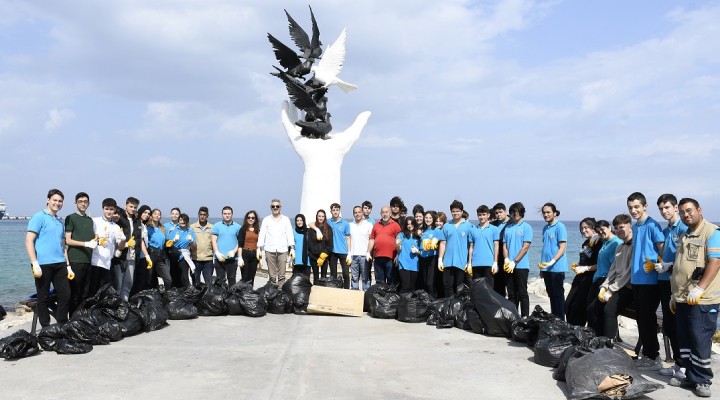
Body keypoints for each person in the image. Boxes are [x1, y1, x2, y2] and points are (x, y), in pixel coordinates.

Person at [669, 198, 720, 398]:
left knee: (700, 340)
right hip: (682, 298)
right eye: (682, 212)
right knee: (686, 340)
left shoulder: (711, 232)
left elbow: (715, 263)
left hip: (702, 300)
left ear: (699, 210)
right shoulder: (684, 235)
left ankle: (703, 380)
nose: (686, 215)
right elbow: (681, 266)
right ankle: (691, 375)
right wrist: (675, 294)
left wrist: (699, 288)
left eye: (689, 210)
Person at [626, 192, 665, 370]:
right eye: (630, 208)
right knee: (641, 319)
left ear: (645, 206)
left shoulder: (652, 225)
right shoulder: (635, 226)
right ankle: (648, 354)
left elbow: (662, 249)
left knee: (648, 319)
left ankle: (653, 356)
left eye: (636, 207)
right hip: (636, 279)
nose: (633, 211)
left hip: (650, 281)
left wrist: (659, 263)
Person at [26, 189, 71, 327]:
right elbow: (29, 241)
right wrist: (34, 263)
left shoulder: (59, 222)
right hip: (43, 264)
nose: (57, 203)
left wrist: (68, 265)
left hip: (60, 264)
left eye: (60, 201)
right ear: (48, 200)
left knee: (65, 295)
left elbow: (63, 246)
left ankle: (62, 324)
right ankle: (46, 328)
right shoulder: (39, 217)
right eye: (55, 200)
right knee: (43, 297)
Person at [655, 193, 688, 380]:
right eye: (661, 208)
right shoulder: (666, 230)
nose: (664, 211)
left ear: (676, 207)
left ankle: (684, 365)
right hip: (663, 282)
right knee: (668, 324)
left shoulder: (683, 227)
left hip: (678, 283)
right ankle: (678, 363)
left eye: (667, 207)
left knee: (678, 325)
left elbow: (686, 258)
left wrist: (669, 265)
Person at [593, 214, 634, 340]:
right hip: (616, 286)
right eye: (616, 228)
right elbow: (613, 270)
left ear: (630, 227)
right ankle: (598, 340)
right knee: (594, 308)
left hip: (628, 287)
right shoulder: (620, 247)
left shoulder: (634, 246)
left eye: (622, 227)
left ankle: (608, 344)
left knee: (609, 310)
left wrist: (611, 290)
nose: (619, 230)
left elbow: (629, 272)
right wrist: (604, 286)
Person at [63, 192, 97, 315]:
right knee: (75, 293)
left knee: (85, 293)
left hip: (88, 260)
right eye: (80, 201)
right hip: (75, 260)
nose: (83, 204)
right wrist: (86, 244)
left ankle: (81, 319)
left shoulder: (89, 220)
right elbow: (67, 240)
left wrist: (97, 242)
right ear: (75, 203)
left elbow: (91, 238)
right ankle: (72, 319)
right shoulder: (70, 218)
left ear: (89, 203)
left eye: (85, 201)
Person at [564, 217, 601, 326]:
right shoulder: (586, 242)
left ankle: (579, 330)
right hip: (580, 277)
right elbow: (585, 258)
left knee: (579, 306)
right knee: (568, 304)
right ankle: (573, 329)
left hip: (590, 279)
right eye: (582, 228)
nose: (584, 230)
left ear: (594, 228)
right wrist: (579, 266)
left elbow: (601, 264)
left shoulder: (599, 242)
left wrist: (585, 268)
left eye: (586, 228)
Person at [537, 203, 568, 320]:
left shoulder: (560, 227)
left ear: (554, 213)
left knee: (558, 295)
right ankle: (555, 320)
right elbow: (545, 248)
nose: (546, 215)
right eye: (544, 213)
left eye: (548, 212)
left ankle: (561, 321)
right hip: (546, 268)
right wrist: (542, 267)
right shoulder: (545, 228)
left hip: (557, 268)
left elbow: (562, 247)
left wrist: (552, 261)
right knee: (551, 295)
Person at [89, 198, 126, 296]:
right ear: (102, 209)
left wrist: (123, 239)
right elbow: (89, 238)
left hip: (107, 263)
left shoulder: (116, 227)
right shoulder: (94, 221)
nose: (109, 211)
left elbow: (120, 247)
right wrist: (97, 241)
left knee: (103, 292)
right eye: (107, 209)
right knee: (91, 290)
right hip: (94, 262)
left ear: (114, 210)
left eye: (111, 209)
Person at [503, 202, 533, 317]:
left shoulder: (526, 227)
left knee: (522, 294)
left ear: (521, 213)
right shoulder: (508, 227)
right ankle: (513, 317)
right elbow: (504, 246)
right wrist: (506, 260)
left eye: (517, 212)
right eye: (513, 212)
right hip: (509, 265)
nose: (515, 214)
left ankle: (525, 317)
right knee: (511, 294)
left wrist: (515, 261)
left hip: (521, 266)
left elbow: (525, 247)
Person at [437, 200, 472, 296]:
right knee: (447, 285)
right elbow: (443, 243)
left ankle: (459, 308)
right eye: (453, 211)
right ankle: (449, 307)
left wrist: (469, 262)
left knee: (459, 287)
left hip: (461, 262)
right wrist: (440, 259)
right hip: (448, 262)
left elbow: (471, 246)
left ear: (462, 211)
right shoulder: (447, 226)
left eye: (457, 211)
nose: (455, 213)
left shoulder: (469, 226)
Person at [257, 199, 294, 287]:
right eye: (273, 206)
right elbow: (262, 234)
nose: (275, 208)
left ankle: (280, 294)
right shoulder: (266, 220)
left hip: (283, 250)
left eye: (277, 206)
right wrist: (259, 248)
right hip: (269, 249)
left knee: (282, 275)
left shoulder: (286, 219)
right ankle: (272, 293)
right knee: (272, 276)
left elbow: (289, 234)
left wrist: (292, 248)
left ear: (280, 207)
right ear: (271, 208)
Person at [114, 197, 145, 301]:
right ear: (125, 206)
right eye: (131, 206)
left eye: (135, 207)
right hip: (120, 257)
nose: (133, 209)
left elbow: (140, 240)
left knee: (128, 284)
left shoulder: (137, 222)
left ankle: (124, 305)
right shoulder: (119, 219)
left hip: (132, 257)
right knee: (118, 284)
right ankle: (116, 307)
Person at [367, 206, 401, 285]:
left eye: (386, 212)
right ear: (380, 213)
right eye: (383, 212)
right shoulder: (376, 225)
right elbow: (372, 239)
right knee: (379, 281)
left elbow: (400, 241)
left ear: (390, 214)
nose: (384, 214)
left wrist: (398, 255)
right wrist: (368, 252)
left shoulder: (396, 226)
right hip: (378, 257)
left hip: (391, 258)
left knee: (390, 280)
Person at [468, 205, 500, 285]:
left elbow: (496, 246)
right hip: (475, 264)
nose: (481, 217)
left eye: (483, 214)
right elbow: (471, 247)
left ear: (488, 215)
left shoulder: (494, 229)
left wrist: (495, 262)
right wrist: (469, 263)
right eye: (479, 215)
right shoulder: (473, 230)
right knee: (477, 288)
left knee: (489, 289)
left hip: (489, 263)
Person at [212, 206, 241, 286]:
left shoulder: (238, 227)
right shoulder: (216, 226)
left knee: (232, 280)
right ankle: (221, 298)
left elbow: (240, 242)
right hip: (219, 258)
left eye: (229, 213)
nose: (227, 215)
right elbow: (213, 240)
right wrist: (217, 253)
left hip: (232, 258)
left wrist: (234, 251)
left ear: (232, 214)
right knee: (220, 281)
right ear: (222, 215)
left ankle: (231, 298)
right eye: (225, 214)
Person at [166, 213, 197, 288]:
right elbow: (167, 244)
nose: (182, 222)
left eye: (184, 220)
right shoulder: (173, 230)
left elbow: (194, 247)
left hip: (184, 255)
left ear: (187, 221)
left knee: (184, 276)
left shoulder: (190, 231)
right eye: (180, 220)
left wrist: (191, 241)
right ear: (178, 221)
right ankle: (175, 292)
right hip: (174, 254)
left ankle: (187, 291)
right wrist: (173, 240)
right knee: (174, 274)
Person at [147, 209, 172, 288]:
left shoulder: (162, 228)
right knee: (149, 278)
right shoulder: (147, 228)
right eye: (155, 214)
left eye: (159, 214)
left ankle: (166, 296)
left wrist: (168, 244)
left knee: (168, 279)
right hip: (151, 254)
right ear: (151, 216)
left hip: (160, 256)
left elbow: (164, 241)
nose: (157, 215)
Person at [130, 204, 153, 294]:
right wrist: (147, 256)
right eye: (145, 212)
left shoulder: (143, 225)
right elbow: (140, 241)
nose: (147, 215)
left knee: (142, 280)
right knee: (137, 280)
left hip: (143, 256)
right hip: (138, 256)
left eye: (148, 213)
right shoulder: (136, 223)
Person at [349, 206, 373, 290]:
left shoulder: (369, 225)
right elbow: (348, 239)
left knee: (365, 279)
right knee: (354, 278)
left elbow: (371, 239)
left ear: (362, 213)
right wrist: (349, 253)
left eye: (359, 212)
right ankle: (354, 297)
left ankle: (366, 298)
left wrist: (368, 252)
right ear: (353, 214)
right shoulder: (350, 225)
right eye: (355, 212)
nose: (357, 214)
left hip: (364, 256)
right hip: (353, 255)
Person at [328, 203, 351, 288]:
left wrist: (349, 252)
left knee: (346, 273)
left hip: (343, 251)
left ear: (339, 211)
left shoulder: (345, 223)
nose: (335, 212)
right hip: (332, 252)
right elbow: (314, 223)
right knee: (333, 274)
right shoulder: (328, 221)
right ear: (331, 211)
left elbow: (348, 238)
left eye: (337, 210)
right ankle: (335, 290)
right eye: (333, 210)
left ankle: (346, 290)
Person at [308, 209, 333, 284]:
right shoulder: (311, 229)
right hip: (313, 257)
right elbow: (310, 243)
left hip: (324, 257)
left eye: (322, 216)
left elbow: (330, 244)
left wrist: (323, 255)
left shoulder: (329, 229)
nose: (321, 218)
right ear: (316, 216)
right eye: (319, 216)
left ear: (325, 217)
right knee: (315, 277)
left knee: (323, 277)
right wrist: (313, 254)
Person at [396, 217, 421, 292]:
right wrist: (398, 246)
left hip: (414, 264)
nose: (409, 226)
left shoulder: (418, 236)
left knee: (412, 287)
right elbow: (398, 248)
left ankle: (410, 303)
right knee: (405, 286)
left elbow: (422, 252)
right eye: (408, 224)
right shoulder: (401, 234)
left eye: (411, 224)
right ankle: (402, 302)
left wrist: (417, 251)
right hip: (403, 263)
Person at [190, 206, 214, 285]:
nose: (202, 216)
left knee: (208, 284)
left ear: (207, 215)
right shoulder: (192, 227)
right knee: (195, 284)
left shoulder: (212, 227)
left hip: (208, 260)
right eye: (201, 214)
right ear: (198, 215)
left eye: (204, 214)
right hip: (195, 259)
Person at [418, 211, 440, 297]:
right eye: (426, 217)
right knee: (424, 283)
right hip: (423, 258)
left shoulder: (436, 230)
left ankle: (434, 302)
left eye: (430, 218)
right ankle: (427, 303)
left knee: (430, 283)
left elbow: (441, 243)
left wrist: (435, 244)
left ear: (433, 219)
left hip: (432, 258)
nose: (428, 219)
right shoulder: (422, 230)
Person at [492, 203, 511, 297]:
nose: (498, 214)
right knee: (497, 286)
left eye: (500, 212)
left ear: (505, 211)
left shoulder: (511, 223)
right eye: (496, 213)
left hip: (508, 259)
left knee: (511, 287)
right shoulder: (492, 224)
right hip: (495, 259)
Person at [237, 210, 260, 286]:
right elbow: (240, 244)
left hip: (254, 255)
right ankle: (243, 294)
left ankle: (250, 295)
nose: (251, 219)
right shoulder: (243, 229)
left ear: (255, 219)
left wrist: (260, 254)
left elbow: (259, 244)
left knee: (251, 278)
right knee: (245, 277)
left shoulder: (257, 230)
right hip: (245, 254)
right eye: (249, 217)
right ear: (246, 219)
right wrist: (240, 257)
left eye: (253, 218)